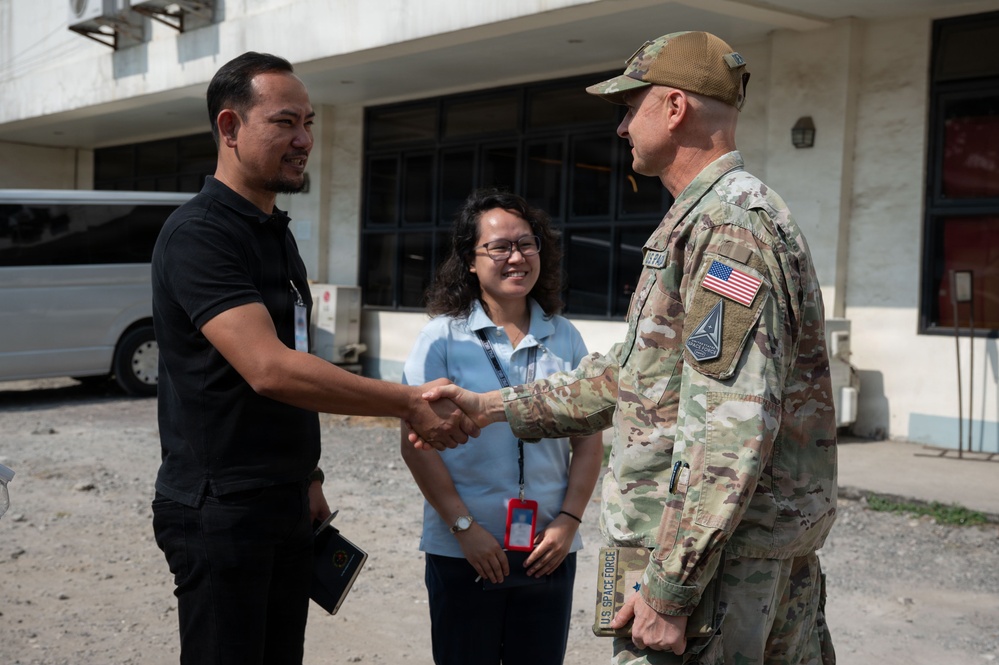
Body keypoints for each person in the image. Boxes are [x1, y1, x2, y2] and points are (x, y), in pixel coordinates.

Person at [416, 32, 838, 665]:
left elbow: (731, 427)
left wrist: (670, 590)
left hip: (716, 579)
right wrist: (490, 406)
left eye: (629, 106)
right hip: (725, 564)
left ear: (674, 109)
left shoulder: (729, 229)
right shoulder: (706, 222)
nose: (620, 127)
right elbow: (636, 377)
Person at [150, 51, 476, 665]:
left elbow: (297, 361)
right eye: (284, 122)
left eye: (309, 123)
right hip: (221, 509)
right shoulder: (200, 235)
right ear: (229, 127)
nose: (304, 140)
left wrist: (308, 476)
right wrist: (408, 400)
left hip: (281, 502)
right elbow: (269, 368)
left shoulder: (275, 231)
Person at [400, 189, 604, 665]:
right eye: (499, 246)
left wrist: (568, 523)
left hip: (546, 548)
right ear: (470, 261)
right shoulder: (441, 338)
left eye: (527, 243)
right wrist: (463, 526)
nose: (516, 257)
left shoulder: (564, 335)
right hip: (464, 549)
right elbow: (417, 445)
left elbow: (589, 441)